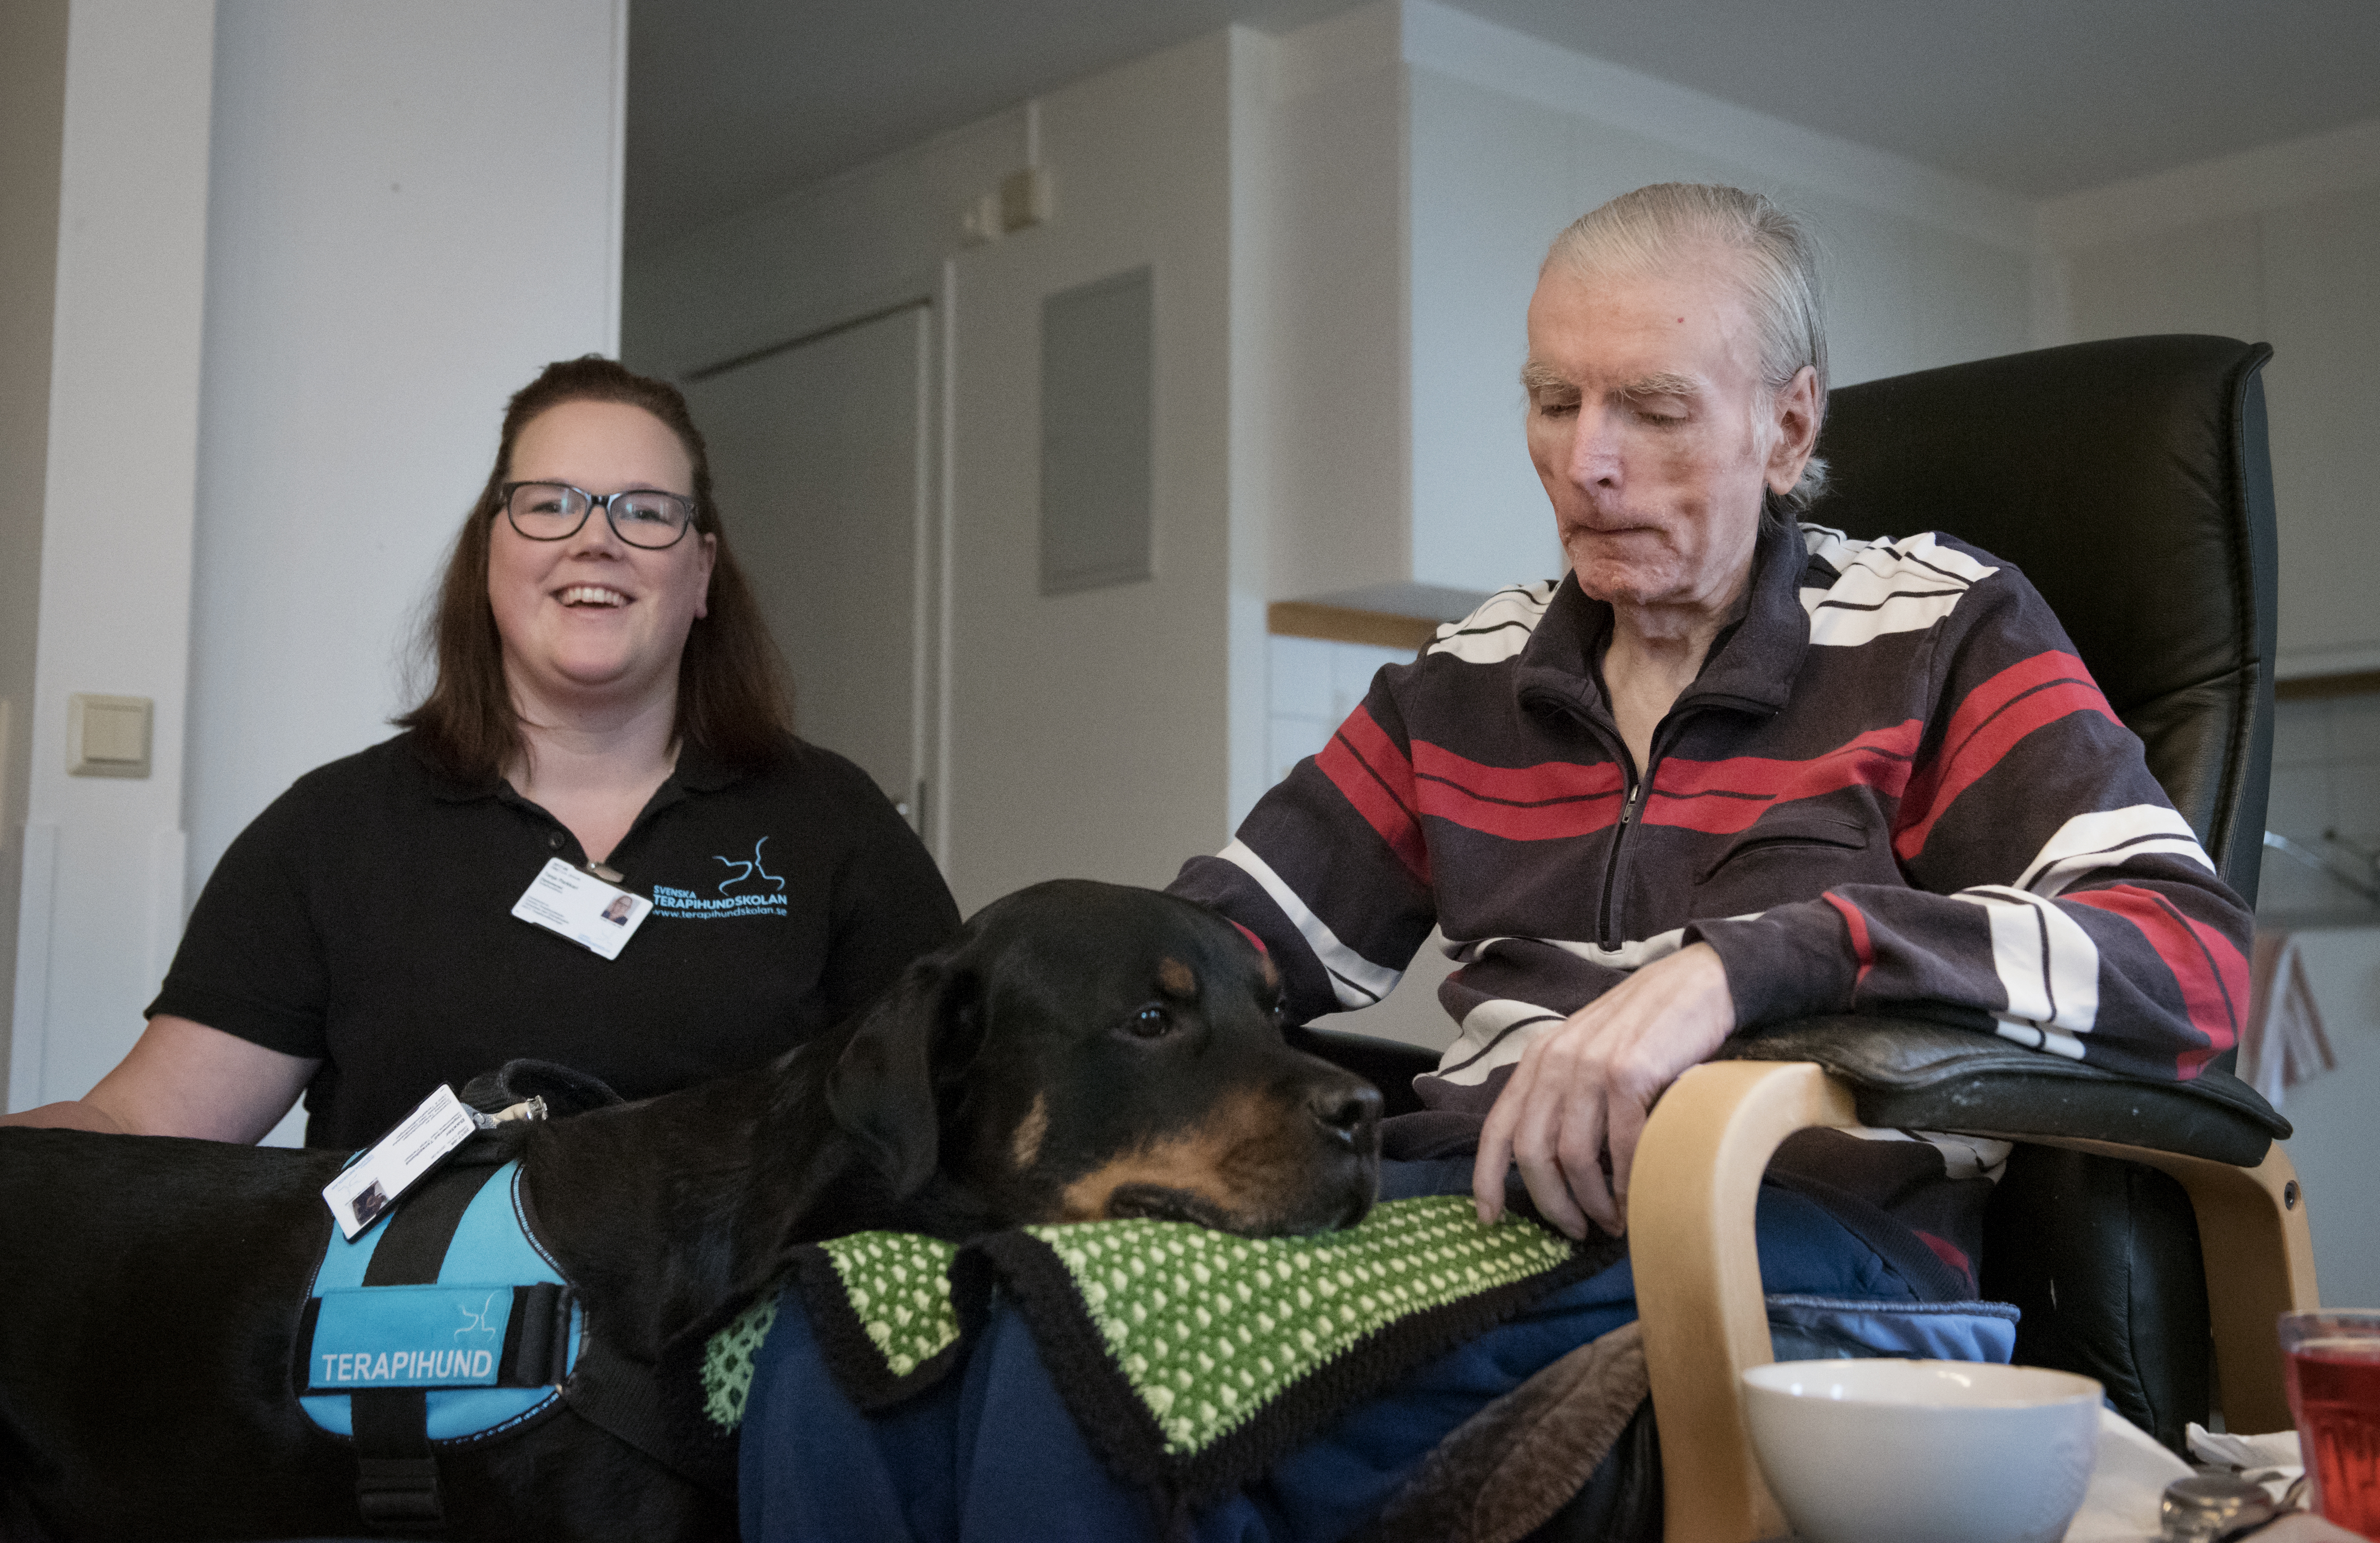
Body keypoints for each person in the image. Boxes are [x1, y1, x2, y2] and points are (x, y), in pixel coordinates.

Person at [736, 184, 2252, 1541]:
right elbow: (1225, 947)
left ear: (1788, 426)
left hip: (1782, 1222)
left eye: (1652, 406)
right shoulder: (1464, 676)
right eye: (1552, 399)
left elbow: (2188, 957)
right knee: (851, 1324)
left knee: (1090, 1342)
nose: (1586, 461)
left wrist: (1741, 969)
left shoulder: (1940, 625)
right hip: (1462, 1200)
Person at [3, 356, 959, 1150]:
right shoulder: (332, 832)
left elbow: (953, 1115)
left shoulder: (831, 823)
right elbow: (143, 1121)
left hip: (723, 1357)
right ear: (491, 552)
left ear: (700, 572)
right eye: (551, 504)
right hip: (404, 1354)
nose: (597, 541)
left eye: (647, 511)